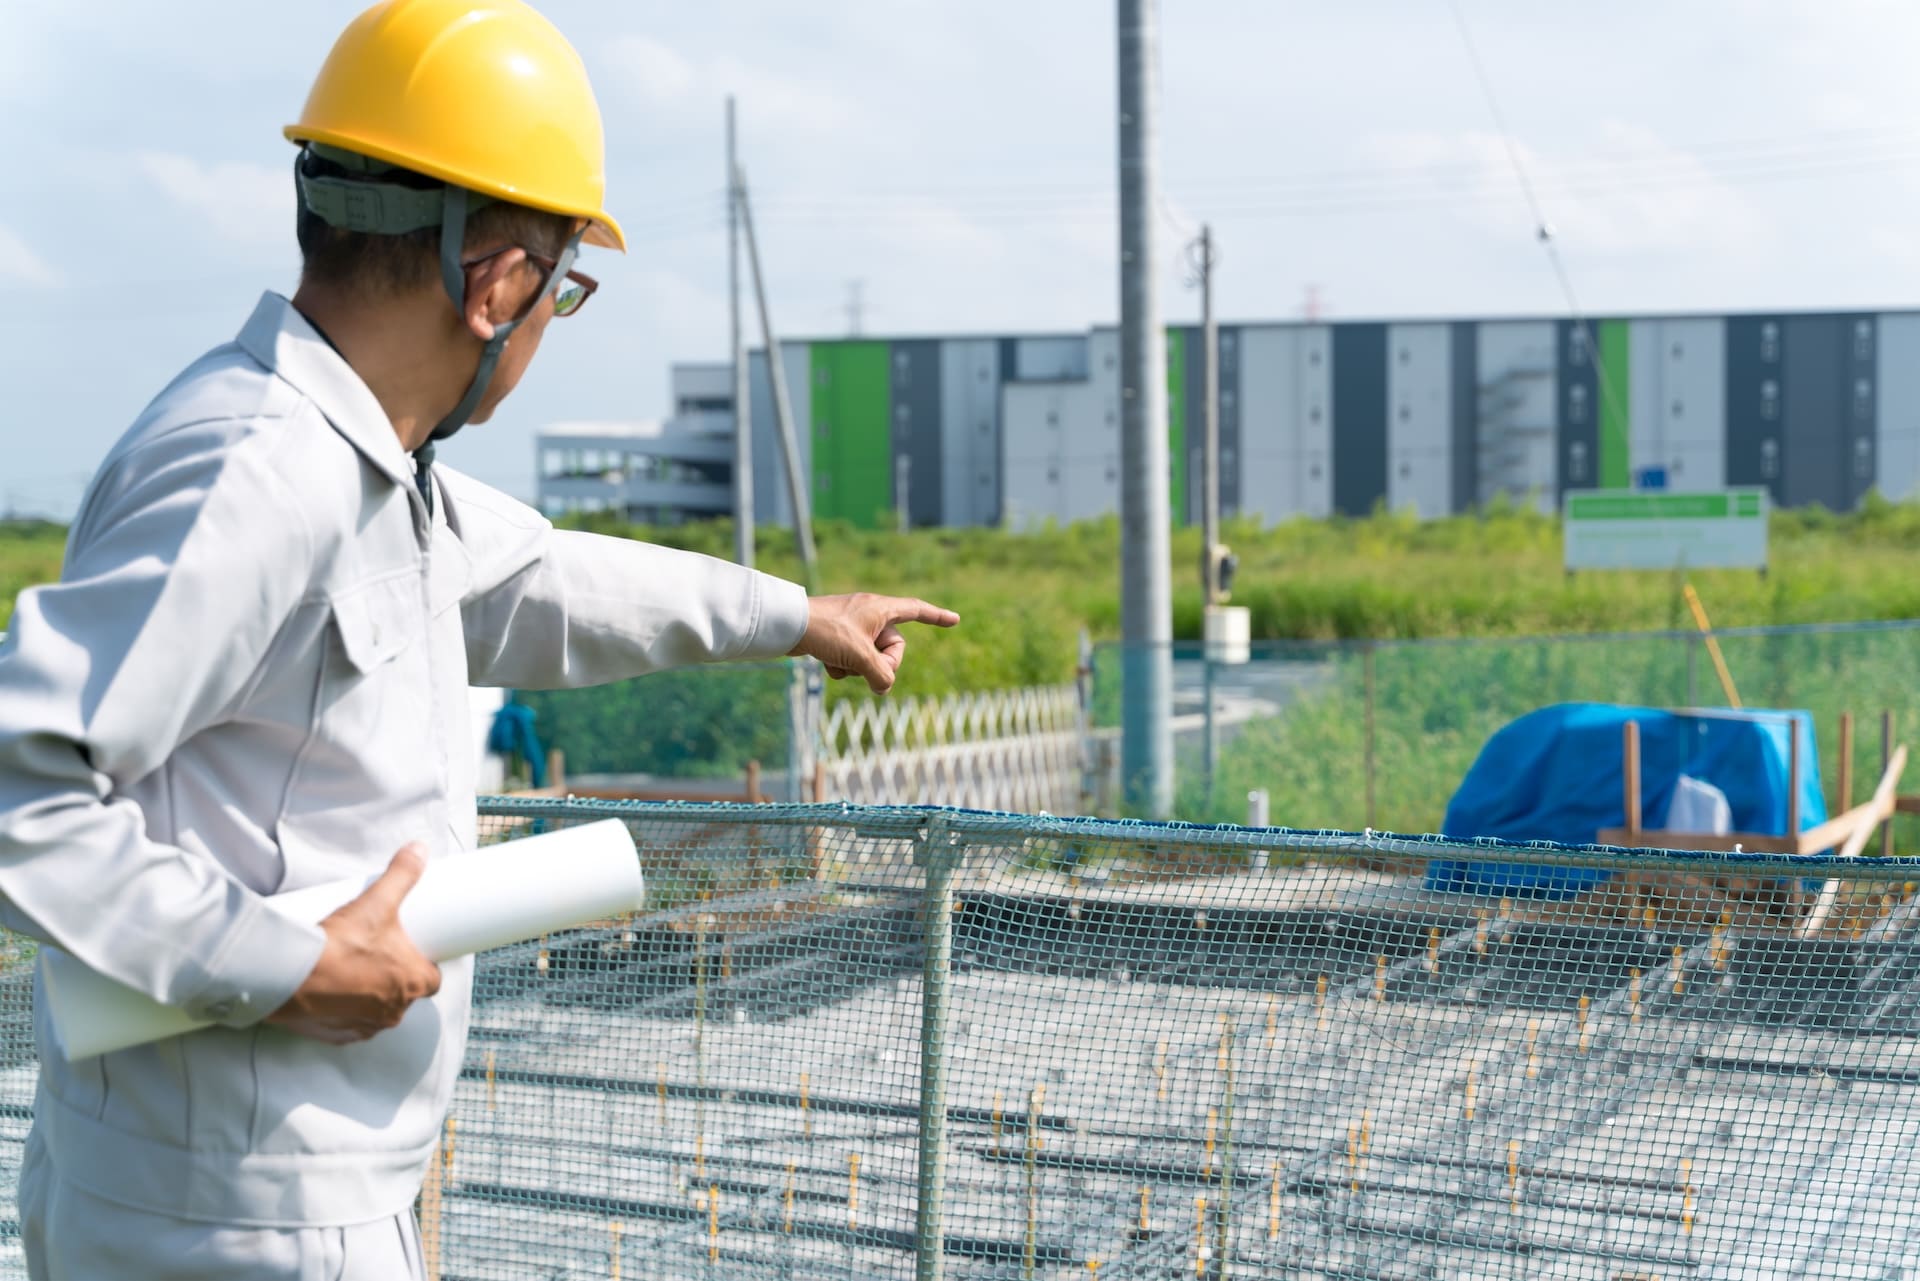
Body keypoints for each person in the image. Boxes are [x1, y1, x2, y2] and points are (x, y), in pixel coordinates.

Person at [0, 1, 957, 1275]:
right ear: (495, 281)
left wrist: (795, 617)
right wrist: (281, 963)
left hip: (268, 1183)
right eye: (565, 284)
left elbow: (540, 583)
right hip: (239, 1211)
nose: (554, 319)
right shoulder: (256, 472)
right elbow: (22, 781)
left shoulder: (369, 469)